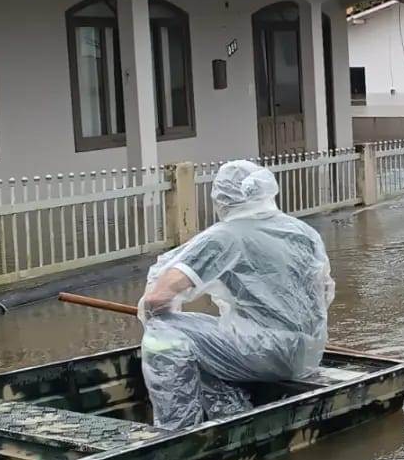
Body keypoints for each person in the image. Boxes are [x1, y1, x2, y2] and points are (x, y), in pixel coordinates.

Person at [136, 160, 335, 430]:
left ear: (221, 197)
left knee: (164, 333)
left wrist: (154, 315)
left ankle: (177, 430)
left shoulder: (225, 236)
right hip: (309, 352)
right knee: (200, 341)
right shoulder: (304, 232)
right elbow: (323, 294)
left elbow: (157, 298)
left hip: (267, 354)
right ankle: (229, 409)